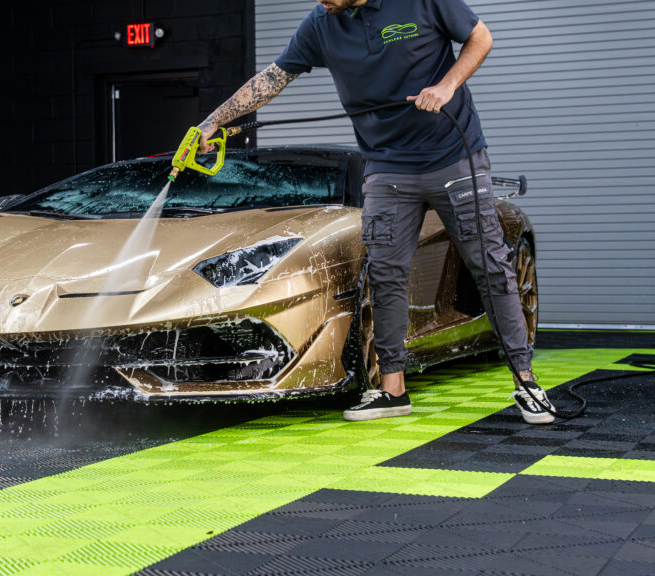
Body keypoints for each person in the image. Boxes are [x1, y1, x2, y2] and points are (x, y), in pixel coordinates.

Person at [196, 0, 555, 425]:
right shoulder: (322, 22)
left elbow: (481, 37)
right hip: (386, 166)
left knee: (491, 265)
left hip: (455, 156)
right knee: (385, 271)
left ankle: (526, 381)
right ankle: (392, 389)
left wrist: (447, 85)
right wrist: (214, 121)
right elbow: (275, 76)